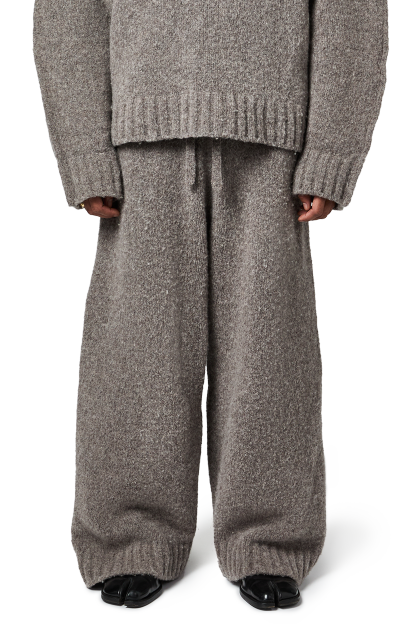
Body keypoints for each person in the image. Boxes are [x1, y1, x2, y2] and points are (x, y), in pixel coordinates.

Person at [33, 0, 388, 611]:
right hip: (138, 140)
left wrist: (332, 150)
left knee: (269, 353)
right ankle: (130, 537)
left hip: (274, 141)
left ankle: (269, 540)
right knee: (135, 354)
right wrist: (84, 150)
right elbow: (69, 11)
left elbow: (352, 14)